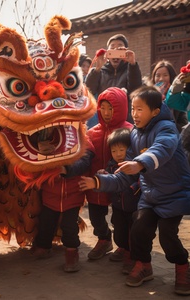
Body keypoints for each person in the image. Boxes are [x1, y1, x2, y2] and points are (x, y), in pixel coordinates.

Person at [79, 85, 190, 295]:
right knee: (138, 229)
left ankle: (182, 267)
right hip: (149, 195)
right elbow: (125, 173)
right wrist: (98, 182)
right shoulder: (135, 134)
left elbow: (162, 147)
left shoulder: (166, 128)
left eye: (140, 109)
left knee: (168, 235)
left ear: (155, 112)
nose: (135, 114)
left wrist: (140, 163)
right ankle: (144, 265)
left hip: (174, 194)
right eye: (133, 109)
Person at [85, 87, 133, 261]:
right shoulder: (92, 132)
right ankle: (104, 238)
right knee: (96, 217)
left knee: (121, 219)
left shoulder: (130, 131)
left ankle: (124, 246)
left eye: (111, 108)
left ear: (120, 108)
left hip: (121, 186)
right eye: (102, 108)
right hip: (97, 184)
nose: (106, 113)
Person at [31, 144, 95, 273]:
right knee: (46, 222)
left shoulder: (83, 140)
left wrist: (65, 169)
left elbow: (85, 162)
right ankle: (44, 246)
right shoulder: (49, 139)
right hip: (50, 193)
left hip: (73, 194)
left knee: (69, 225)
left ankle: (71, 252)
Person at [99, 128, 140, 273]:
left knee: (132, 232)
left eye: (121, 150)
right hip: (117, 206)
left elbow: (140, 180)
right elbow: (109, 180)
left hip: (133, 206)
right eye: (114, 151)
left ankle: (131, 255)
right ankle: (123, 248)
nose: (118, 154)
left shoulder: (136, 165)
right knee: (119, 230)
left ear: (129, 149)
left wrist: (134, 187)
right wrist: (102, 175)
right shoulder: (111, 165)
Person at [85, 33, 142, 125]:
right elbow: (89, 90)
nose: (115, 50)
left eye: (119, 48)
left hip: (126, 121)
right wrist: (97, 68)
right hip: (104, 119)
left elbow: (136, 90)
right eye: (112, 47)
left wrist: (132, 64)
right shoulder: (100, 71)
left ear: (125, 51)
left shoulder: (131, 69)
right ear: (107, 52)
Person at [150, 60, 188, 132]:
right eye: (158, 75)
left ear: (171, 77)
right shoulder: (148, 95)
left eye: (165, 75)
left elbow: (183, 125)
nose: (161, 79)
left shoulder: (177, 97)